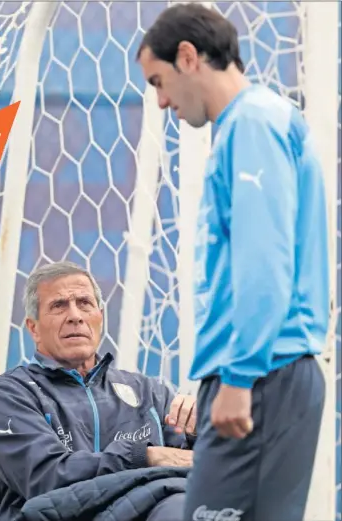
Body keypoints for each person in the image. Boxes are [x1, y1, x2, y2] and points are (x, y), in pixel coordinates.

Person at [137, 4, 329, 521]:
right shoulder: (249, 125)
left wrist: (239, 380)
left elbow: (264, 264)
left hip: (262, 372)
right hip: (266, 371)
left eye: (159, 81)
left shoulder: (253, 123)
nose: (160, 100)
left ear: (188, 57)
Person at [0, 261, 196, 521]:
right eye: (59, 306)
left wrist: (199, 432)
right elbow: (46, 478)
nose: (75, 316)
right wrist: (143, 456)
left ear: (100, 317)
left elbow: (197, 464)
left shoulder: (150, 392)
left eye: (84, 303)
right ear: (33, 328)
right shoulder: (10, 395)